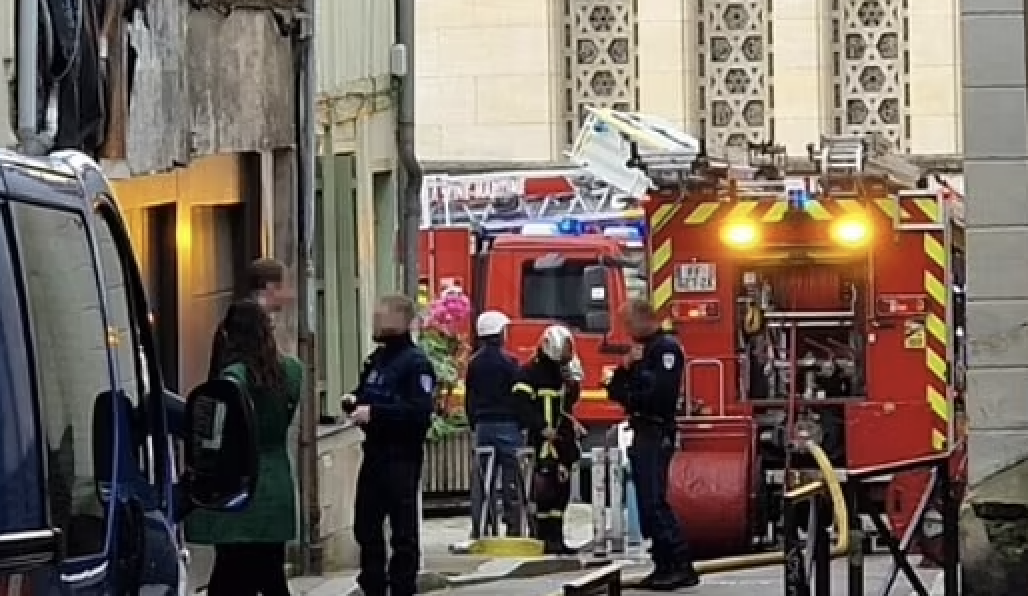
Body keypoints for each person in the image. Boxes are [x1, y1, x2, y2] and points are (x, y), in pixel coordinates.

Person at [186, 300, 306, 596]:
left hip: (239, 483)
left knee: (229, 577)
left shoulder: (233, 378)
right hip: (277, 480)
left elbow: (215, 434)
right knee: (271, 574)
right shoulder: (291, 371)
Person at [605, 299, 700, 590]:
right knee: (646, 503)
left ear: (642, 319)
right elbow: (616, 391)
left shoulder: (665, 349)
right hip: (642, 429)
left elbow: (659, 395)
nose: (626, 330)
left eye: (628, 323)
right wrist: (625, 370)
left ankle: (679, 564)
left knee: (655, 501)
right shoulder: (642, 352)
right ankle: (662, 564)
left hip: (656, 431)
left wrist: (632, 389)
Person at [345, 294, 435, 596]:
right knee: (366, 525)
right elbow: (365, 393)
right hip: (374, 454)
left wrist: (375, 413)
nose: (376, 321)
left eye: (382, 316)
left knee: (402, 531)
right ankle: (372, 584)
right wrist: (354, 402)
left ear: (403, 320)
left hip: (401, 456)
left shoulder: (415, 363)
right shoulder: (377, 360)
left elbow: (419, 413)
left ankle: (402, 587)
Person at [512, 324, 584, 555]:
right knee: (544, 492)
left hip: (561, 441)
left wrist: (573, 385)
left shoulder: (562, 374)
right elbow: (521, 406)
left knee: (561, 492)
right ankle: (542, 538)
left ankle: (557, 539)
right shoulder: (529, 373)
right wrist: (541, 428)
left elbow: (567, 404)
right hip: (540, 441)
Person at [466, 310, 527, 539]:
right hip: (507, 424)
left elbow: (470, 398)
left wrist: (474, 422)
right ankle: (513, 526)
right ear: (500, 333)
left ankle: (481, 527)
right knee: (513, 476)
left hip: (483, 425)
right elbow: (518, 396)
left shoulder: (474, 364)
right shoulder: (509, 363)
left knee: (483, 478)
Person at [209, 257, 292, 379]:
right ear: (270, 287)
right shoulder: (243, 327)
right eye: (286, 286)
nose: (290, 294)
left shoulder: (265, 323)